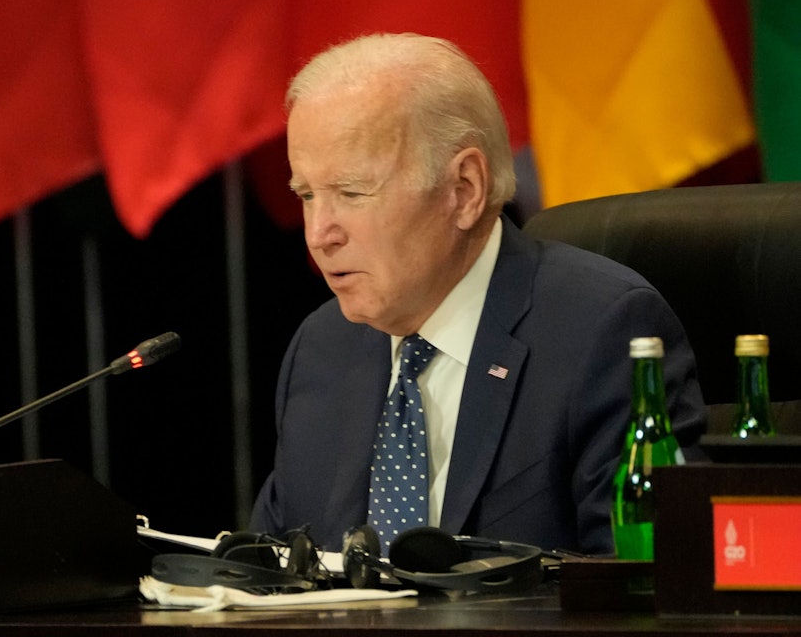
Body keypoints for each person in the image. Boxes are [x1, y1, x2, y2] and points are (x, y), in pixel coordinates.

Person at [249, 32, 706, 556]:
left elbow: (640, 587)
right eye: (307, 195)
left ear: (464, 190)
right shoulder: (323, 348)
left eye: (351, 193)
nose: (318, 234)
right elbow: (272, 573)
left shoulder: (601, 333)